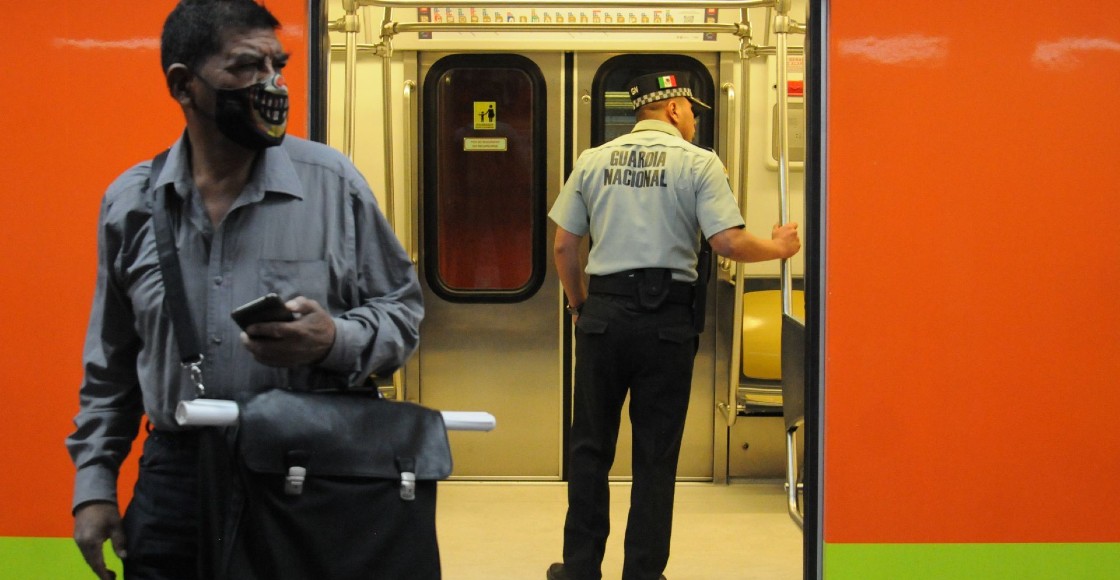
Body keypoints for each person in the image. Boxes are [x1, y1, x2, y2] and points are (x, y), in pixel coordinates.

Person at [66, 1, 424, 579]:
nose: (271, 84)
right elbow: (111, 365)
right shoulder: (132, 203)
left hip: (304, 471)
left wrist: (333, 340)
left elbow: (402, 314)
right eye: (246, 67)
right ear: (183, 84)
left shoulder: (332, 185)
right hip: (176, 479)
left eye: (277, 66)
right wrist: (94, 485)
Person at [546, 71, 801, 580]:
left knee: (590, 447)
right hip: (666, 322)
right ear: (673, 109)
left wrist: (580, 307)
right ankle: (643, 573)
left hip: (603, 317)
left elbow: (564, 247)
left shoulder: (592, 161)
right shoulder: (699, 163)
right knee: (655, 454)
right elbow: (727, 243)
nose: (693, 122)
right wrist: (778, 247)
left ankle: (580, 569)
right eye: (691, 112)